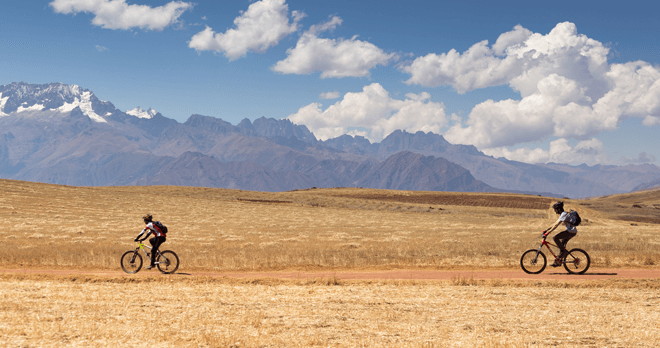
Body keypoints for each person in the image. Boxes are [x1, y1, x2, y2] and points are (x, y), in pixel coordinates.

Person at [543, 201, 577, 267]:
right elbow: (555, 223)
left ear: (558, 209)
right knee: (561, 245)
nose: (555, 211)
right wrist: (546, 230)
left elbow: (556, 225)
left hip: (571, 232)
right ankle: (558, 262)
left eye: (555, 209)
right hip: (571, 231)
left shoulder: (564, 214)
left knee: (555, 237)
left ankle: (563, 253)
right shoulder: (562, 214)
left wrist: (548, 233)